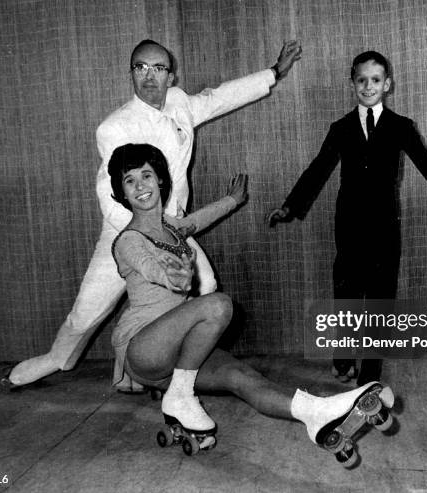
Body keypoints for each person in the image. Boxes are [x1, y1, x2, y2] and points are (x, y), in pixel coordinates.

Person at [3, 38, 302, 389]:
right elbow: (108, 194)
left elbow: (217, 99)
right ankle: (56, 359)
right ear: (131, 73)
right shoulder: (113, 128)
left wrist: (273, 72)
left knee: (207, 287)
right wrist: (146, 244)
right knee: (86, 312)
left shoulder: (178, 103)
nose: (149, 76)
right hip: (125, 233)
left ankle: (185, 372)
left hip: (174, 228)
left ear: (170, 76)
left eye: (158, 68)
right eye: (140, 68)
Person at [107, 142, 394, 455]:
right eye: (129, 181)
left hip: (180, 354)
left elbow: (199, 220)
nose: (140, 186)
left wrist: (233, 200)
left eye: (146, 176)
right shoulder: (128, 241)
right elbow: (150, 267)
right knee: (217, 305)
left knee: (244, 377)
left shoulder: (172, 227)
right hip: (145, 348)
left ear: (160, 179)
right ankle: (179, 396)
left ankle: (316, 413)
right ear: (122, 193)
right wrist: (172, 276)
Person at [267, 50, 427, 385]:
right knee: (346, 294)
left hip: (385, 224)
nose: (368, 86)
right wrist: (290, 205)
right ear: (352, 84)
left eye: (375, 79)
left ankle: (371, 372)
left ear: (387, 84)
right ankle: (344, 357)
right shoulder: (340, 128)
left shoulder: (401, 127)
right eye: (361, 79)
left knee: (380, 296)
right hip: (347, 222)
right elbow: (317, 169)